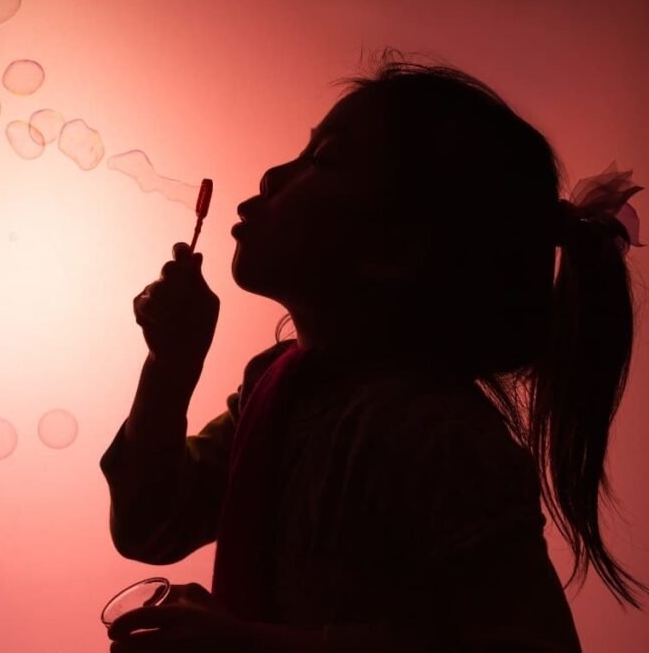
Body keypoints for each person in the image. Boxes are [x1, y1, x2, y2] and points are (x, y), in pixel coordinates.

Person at [100, 49, 648, 652]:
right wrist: (170, 368)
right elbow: (149, 523)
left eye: (325, 159)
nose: (271, 177)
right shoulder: (279, 393)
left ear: (394, 252)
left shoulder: (438, 434)